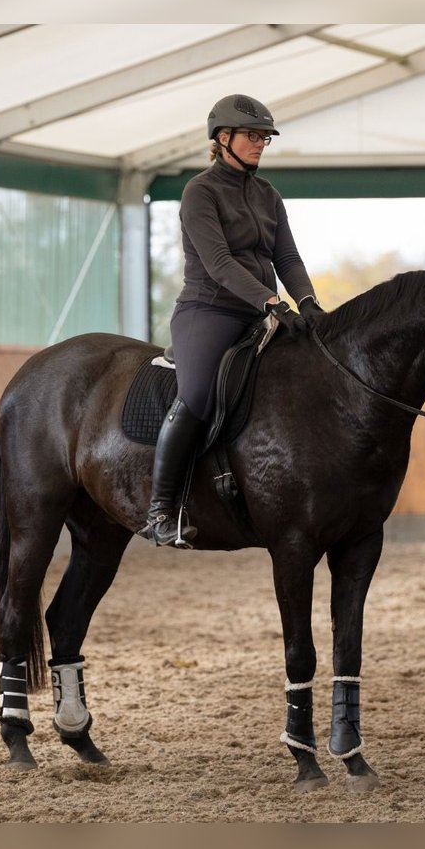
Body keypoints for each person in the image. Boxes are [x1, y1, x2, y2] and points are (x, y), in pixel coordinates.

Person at [138, 93, 325, 548]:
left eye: (265, 137)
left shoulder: (268, 196)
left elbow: (288, 256)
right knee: (199, 394)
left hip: (261, 311)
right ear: (224, 139)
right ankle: (161, 510)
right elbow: (219, 262)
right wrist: (269, 301)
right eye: (253, 136)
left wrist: (308, 301)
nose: (261, 144)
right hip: (210, 310)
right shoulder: (199, 191)